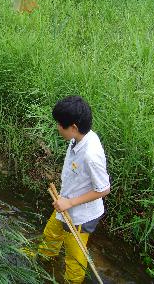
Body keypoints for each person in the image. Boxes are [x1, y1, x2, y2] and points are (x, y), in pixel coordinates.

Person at [38, 96, 110, 283]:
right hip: (65, 202)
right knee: (50, 234)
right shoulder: (77, 138)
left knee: (74, 260)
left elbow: (103, 189)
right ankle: (43, 261)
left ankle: (72, 281)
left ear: (74, 128)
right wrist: (66, 200)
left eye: (60, 124)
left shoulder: (91, 154)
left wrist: (69, 202)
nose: (57, 127)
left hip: (80, 215)